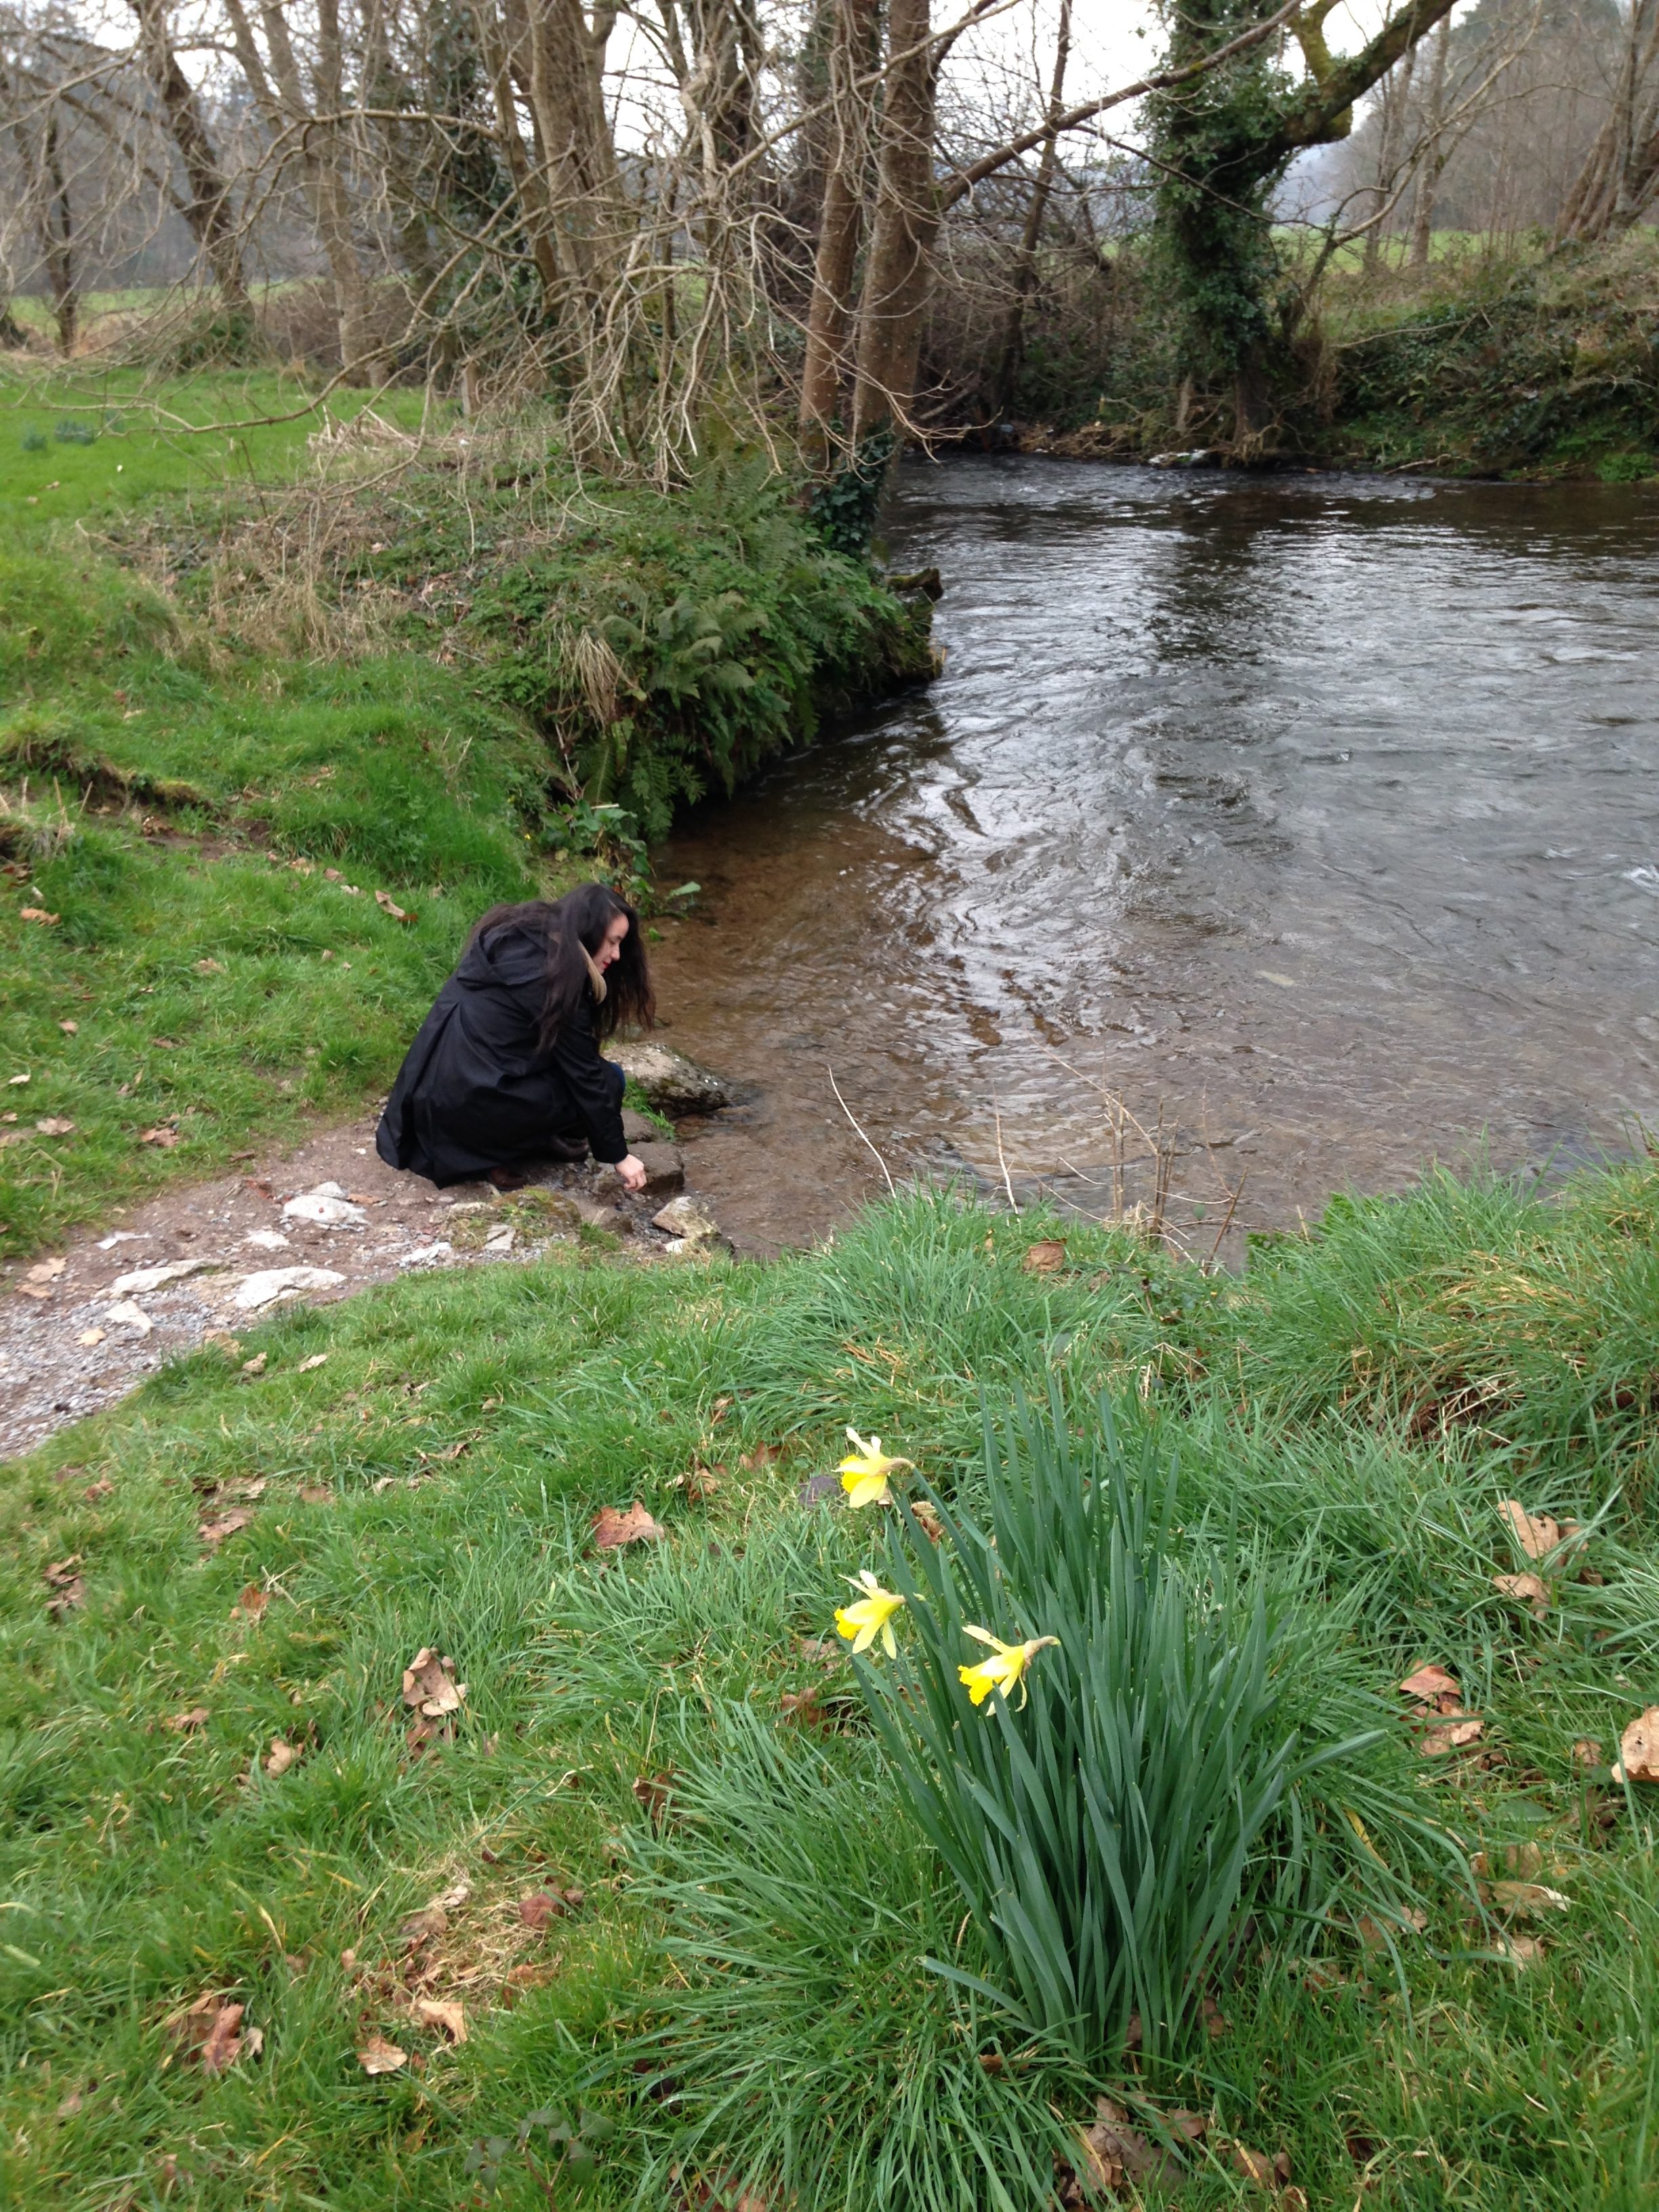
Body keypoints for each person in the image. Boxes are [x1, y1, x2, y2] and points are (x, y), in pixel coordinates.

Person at [375, 882, 655, 1193]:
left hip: (431, 1098)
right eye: (613, 942)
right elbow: (585, 1075)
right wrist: (619, 1155)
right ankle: (495, 1153)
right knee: (611, 1078)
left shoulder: (516, 938)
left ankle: (521, 1140)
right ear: (589, 931)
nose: (616, 955)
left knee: (575, 1076)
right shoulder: (560, 976)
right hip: (473, 1108)